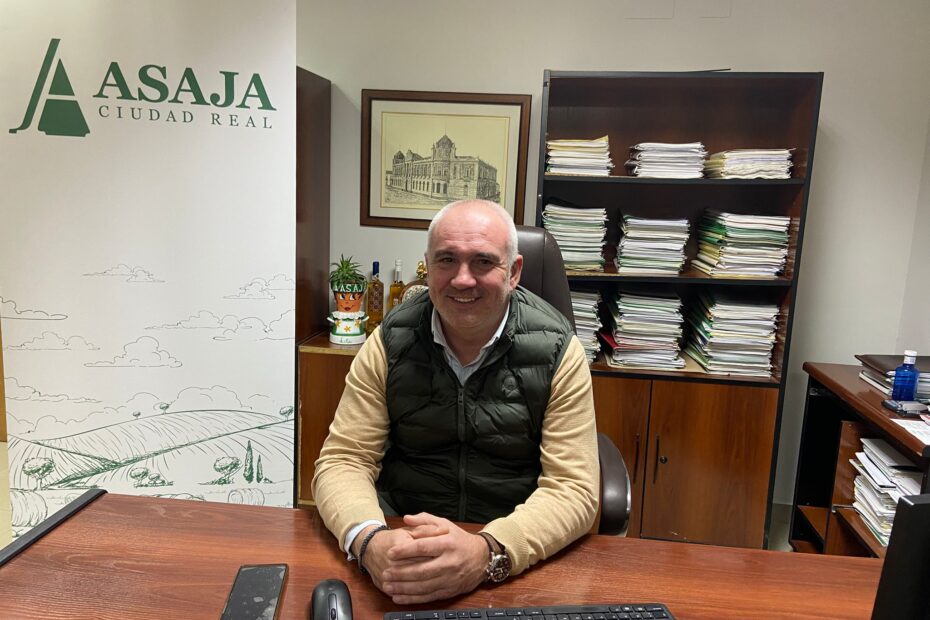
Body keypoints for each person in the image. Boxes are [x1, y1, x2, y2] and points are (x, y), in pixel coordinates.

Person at [312, 199, 599, 604]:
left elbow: (573, 488)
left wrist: (488, 551)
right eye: (447, 260)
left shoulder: (558, 351)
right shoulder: (389, 341)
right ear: (428, 265)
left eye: (483, 262)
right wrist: (368, 540)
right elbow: (344, 459)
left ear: (514, 272)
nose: (463, 280)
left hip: (511, 558)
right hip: (400, 545)